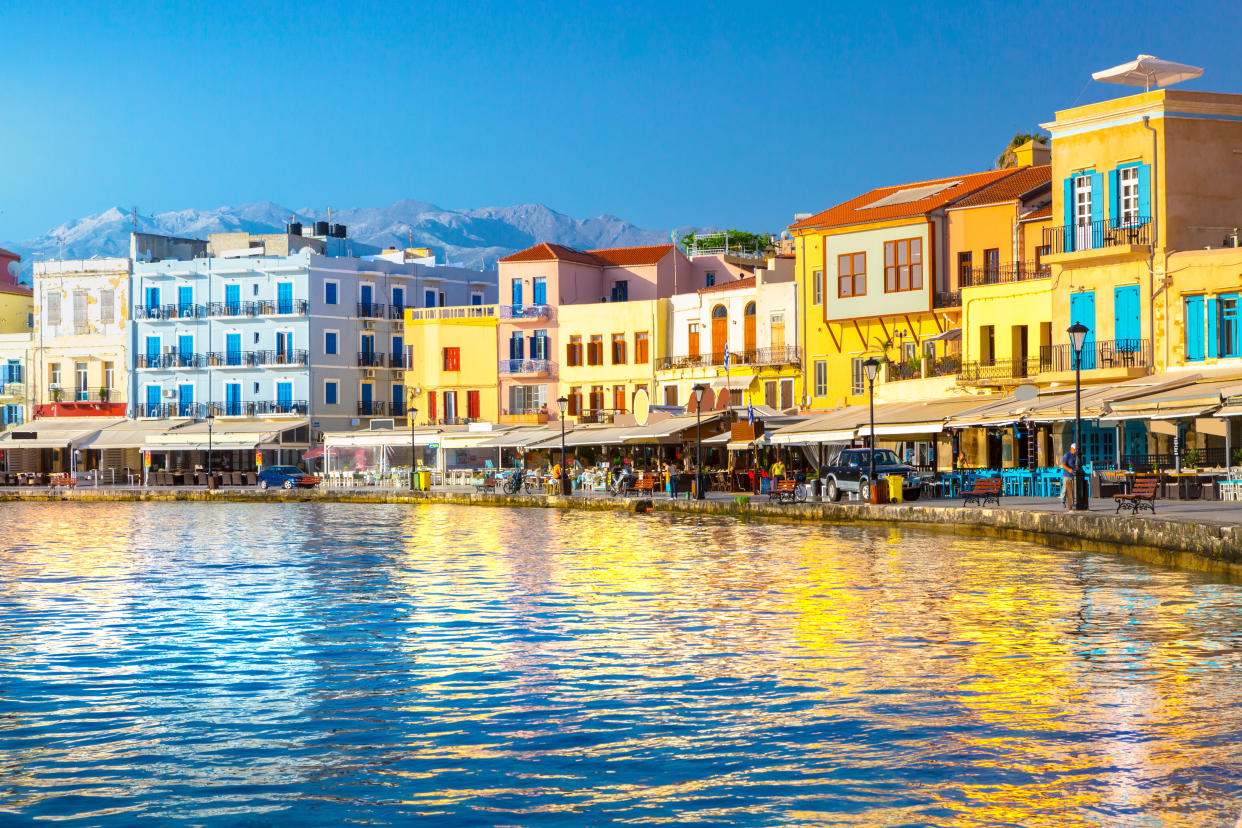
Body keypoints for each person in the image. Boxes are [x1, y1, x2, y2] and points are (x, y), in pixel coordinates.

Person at [1061, 442, 1080, 510]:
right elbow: (1063, 464)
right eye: (1074, 449)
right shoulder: (1067, 455)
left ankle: (1072, 502)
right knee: (1065, 488)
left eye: (1076, 449)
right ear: (1071, 448)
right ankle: (1062, 501)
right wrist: (1069, 469)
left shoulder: (1076, 455)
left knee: (1073, 488)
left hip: (1074, 475)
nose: (1075, 450)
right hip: (1067, 474)